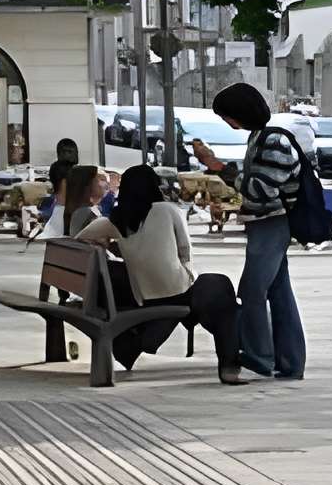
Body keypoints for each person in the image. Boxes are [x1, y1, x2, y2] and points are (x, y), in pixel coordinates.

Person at [78, 163, 244, 381]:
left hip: (143, 296)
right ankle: (230, 363)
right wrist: (186, 276)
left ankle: (135, 344)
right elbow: (185, 251)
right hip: (176, 290)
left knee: (207, 292)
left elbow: (81, 238)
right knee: (218, 285)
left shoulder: (116, 221)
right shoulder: (169, 210)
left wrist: (113, 247)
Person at [211, 82, 308, 381]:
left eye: (227, 116)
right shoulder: (259, 137)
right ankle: (289, 363)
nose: (227, 122)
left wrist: (218, 168)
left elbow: (261, 190)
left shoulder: (273, 141)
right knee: (279, 293)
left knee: (252, 291)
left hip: (272, 222)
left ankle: (258, 357)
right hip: (264, 223)